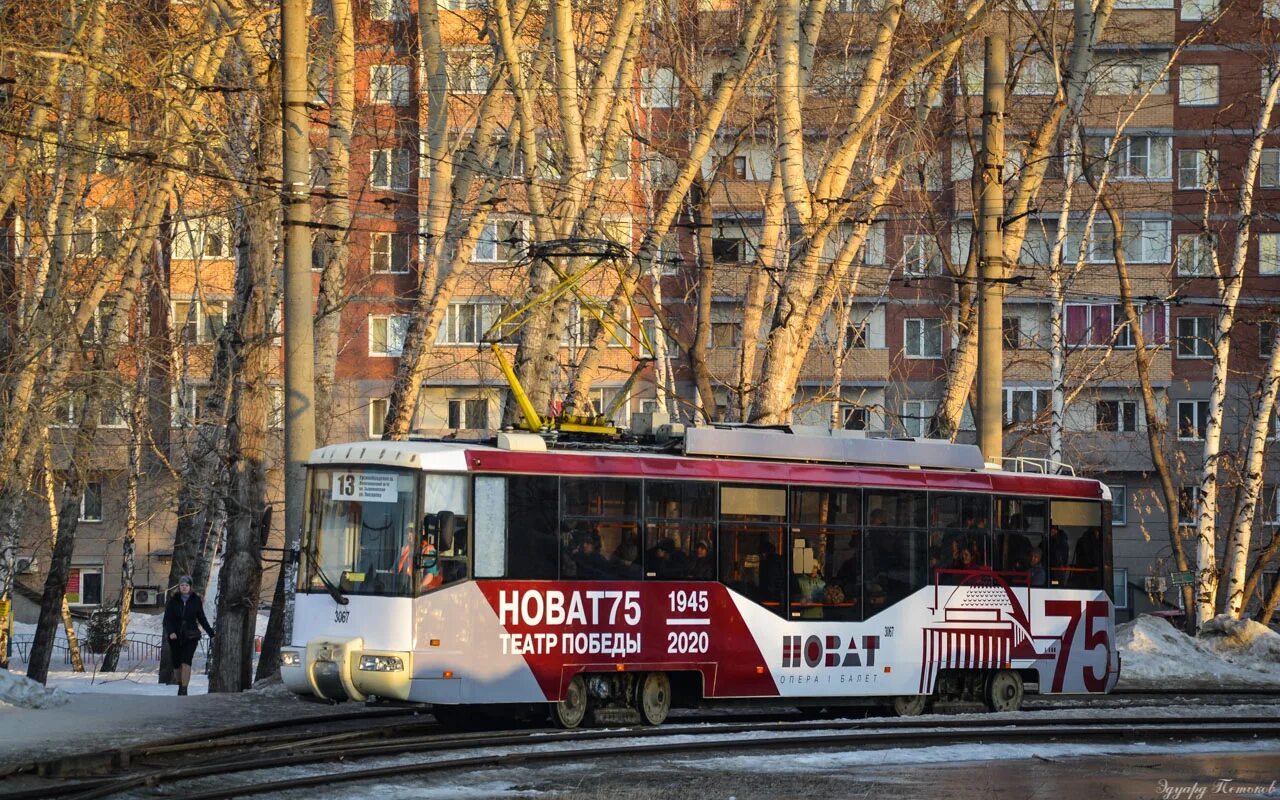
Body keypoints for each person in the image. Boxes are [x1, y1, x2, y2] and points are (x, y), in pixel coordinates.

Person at [162, 576, 214, 696]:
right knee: (176, 664)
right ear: (179, 587)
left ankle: (184, 690)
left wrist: (211, 633)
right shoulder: (173, 601)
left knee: (186, 661)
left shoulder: (196, 600)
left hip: (191, 636)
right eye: (182, 585)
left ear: (190, 587)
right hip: (175, 637)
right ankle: (180, 684)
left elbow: (202, 618)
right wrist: (171, 632)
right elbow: (167, 620)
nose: (184, 587)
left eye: (186, 585)